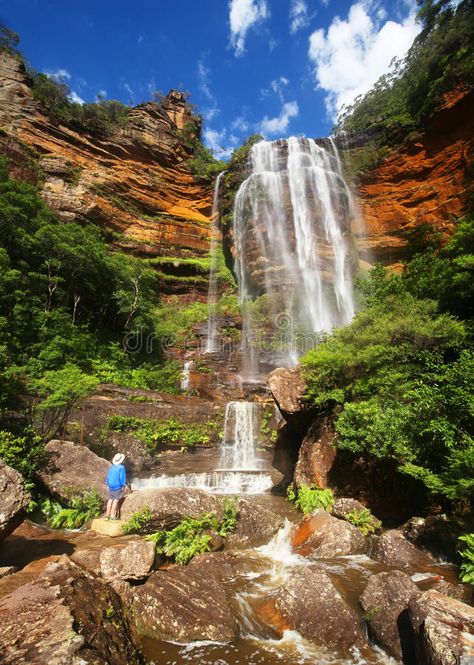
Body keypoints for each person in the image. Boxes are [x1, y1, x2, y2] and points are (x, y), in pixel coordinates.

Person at [105, 453, 127, 520]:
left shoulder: (112, 467)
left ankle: (107, 515)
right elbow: (122, 477)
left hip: (111, 485)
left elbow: (108, 477)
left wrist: (108, 484)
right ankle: (112, 515)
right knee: (116, 500)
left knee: (110, 499)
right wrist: (123, 485)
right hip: (117, 485)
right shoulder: (121, 467)